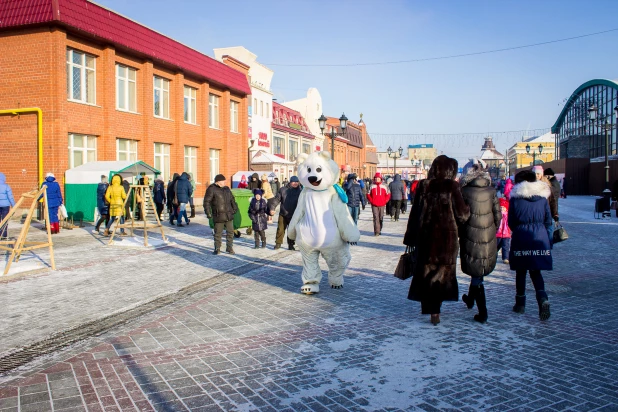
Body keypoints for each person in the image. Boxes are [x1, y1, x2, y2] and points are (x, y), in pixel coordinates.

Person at [404, 156, 470, 326]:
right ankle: (436, 309)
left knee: (426, 271)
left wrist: (410, 236)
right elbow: (462, 214)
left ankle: (429, 306)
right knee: (441, 273)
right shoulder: (452, 186)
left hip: (425, 237)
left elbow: (415, 213)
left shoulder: (424, 186)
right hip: (446, 239)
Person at [458, 165, 501, 323]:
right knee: (478, 270)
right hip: (488, 234)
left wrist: (461, 231)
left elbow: (461, 216)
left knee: (476, 270)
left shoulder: (464, 191)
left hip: (470, 234)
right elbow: (498, 215)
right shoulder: (491, 191)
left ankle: (483, 312)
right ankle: (470, 299)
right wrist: (491, 229)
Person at [508, 170, 553, 321]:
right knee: (536, 271)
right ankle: (542, 298)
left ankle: (520, 304)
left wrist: (520, 229)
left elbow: (511, 222)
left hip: (521, 236)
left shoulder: (515, 199)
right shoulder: (542, 199)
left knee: (521, 271)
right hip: (539, 236)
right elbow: (548, 220)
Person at [204, 174, 238, 255]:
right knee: (218, 233)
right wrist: (208, 212)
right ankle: (217, 248)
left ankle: (229, 248)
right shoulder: (211, 189)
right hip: (218, 215)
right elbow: (206, 202)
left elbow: (232, 199)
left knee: (230, 232)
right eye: (223, 181)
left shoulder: (226, 189)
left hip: (228, 214)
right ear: (218, 182)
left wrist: (234, 208)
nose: (224, 182)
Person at [268, 176, 302, 250]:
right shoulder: (283, 190)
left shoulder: (301, 191)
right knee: (280, 229)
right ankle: (278, 243)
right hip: (283, 213)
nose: (296, 183)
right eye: (294, 182)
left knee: (291, 231)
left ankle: (291, 245)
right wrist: (272, 208)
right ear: (290, 182)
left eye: (297, 182)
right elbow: (276, 200)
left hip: (294, 215)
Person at [0, 173, 16, 240]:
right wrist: (14, 205)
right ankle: (3, 235)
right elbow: (10, 197)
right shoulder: (6, 186)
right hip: (5, 205)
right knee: (5, 220)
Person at [496, 198, 512, 264]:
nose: (502, 209)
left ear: (506, 208)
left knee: (505, 247)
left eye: (503, 207)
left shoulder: (508, 215)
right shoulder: (498, 215)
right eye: (501, 207)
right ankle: (493, 256)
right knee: (495, 246)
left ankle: (505, 258)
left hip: (506, 234)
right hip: (498, 234)